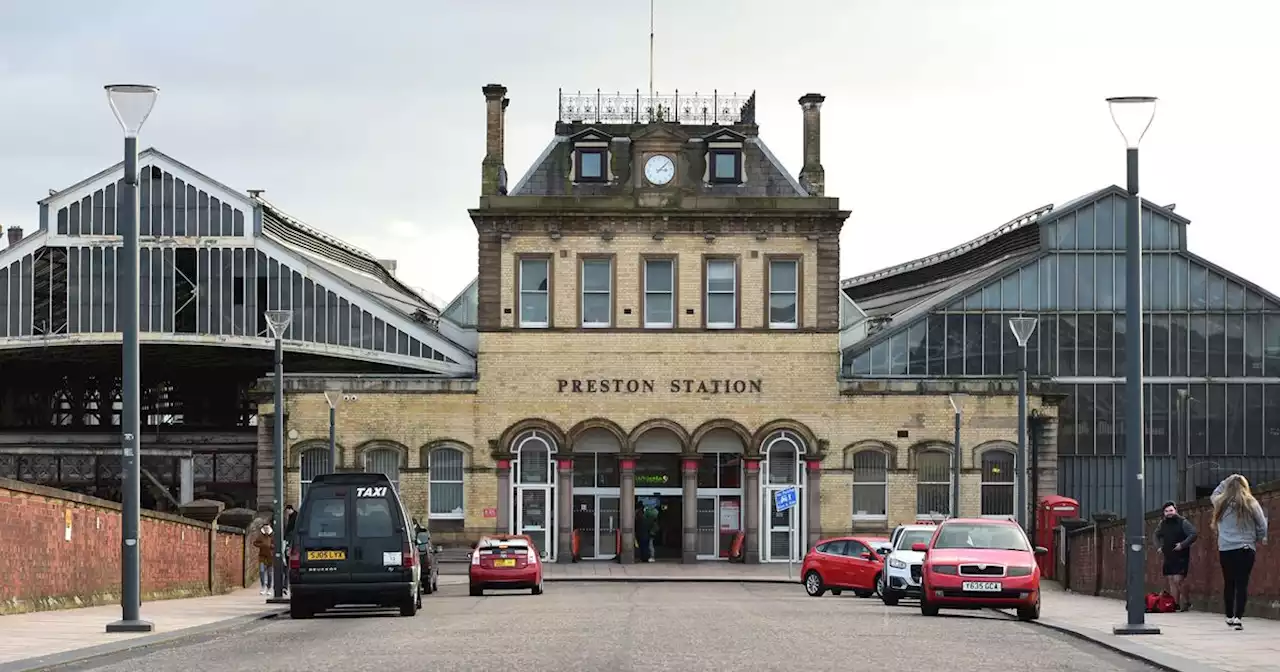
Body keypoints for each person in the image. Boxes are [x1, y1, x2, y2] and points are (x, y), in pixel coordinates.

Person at [1210, 474, 1269, 630]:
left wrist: (1227, 480)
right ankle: (1238, 618)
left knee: (1229, 582)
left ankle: (1229, 616)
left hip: (1226, 548)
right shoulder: (1251, 503)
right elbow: (1262, 525)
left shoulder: (1220, 503)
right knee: (1242, 583)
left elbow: (1214, 493)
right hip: (1245, 548)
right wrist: (1255, 538)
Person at [1154, 501, 1197, 611]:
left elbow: (1193, 534)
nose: (1169, 513)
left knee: (1178, 580)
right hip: (1168, 554)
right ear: (1164, 513)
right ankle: (1175, 604)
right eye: (1166, 511)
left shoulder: (1183, 522)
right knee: (1171, 580)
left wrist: (1182, 545)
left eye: (1171, 510)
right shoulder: (1162, 524)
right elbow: (1156, 535)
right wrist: (1159, 546)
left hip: (1181, 555)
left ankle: (1187, 601)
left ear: (1175, 510)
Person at [253, 522, 274, 595]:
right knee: (261, 571)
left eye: (267, 528)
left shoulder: (272, 535)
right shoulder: (260, 536)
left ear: (269, 528)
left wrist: (271, 546)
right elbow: (255, 543)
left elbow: (276, 544)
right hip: (262, 556)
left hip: (270, 557)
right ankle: (263, 586)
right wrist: (262, 545)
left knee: (269, 573)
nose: (266, 529)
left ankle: (269, 588)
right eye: (265, 528)